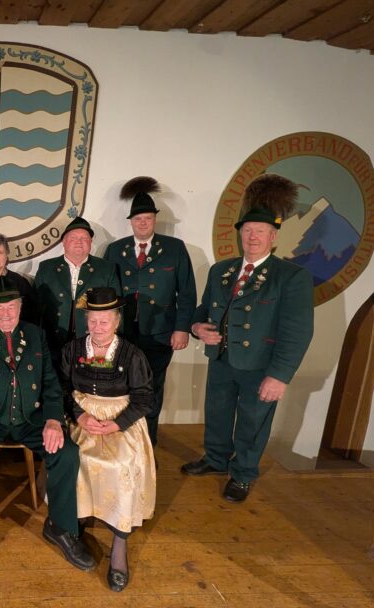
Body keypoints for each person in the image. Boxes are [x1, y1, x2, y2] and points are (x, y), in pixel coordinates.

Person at [0, 275, 93, 589]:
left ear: (20, 306)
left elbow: (51, 382)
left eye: (11, 307)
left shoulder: (35, 333)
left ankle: (61, 527)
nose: (6, 314)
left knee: (67, 453)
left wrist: (53, 420)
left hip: (31, 419)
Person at [182, 174, 314, 503]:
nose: (253, 237)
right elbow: (203, 310)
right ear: (240, 233)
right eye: (248, 230)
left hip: (260, 366)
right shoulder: (221, 270)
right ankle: (215, 459)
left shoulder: (291, 277)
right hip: (221, 359)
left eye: (260, 231)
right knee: (217, 413)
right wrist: (197, 328)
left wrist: (280, 376)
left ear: (273, 236)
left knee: (252, 423)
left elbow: (298, 331)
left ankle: (242, 474)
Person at [60, 287, 156, 592]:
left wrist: (117, 424)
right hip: (82, 416)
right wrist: (79, 415)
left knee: (121, 465)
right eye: (93, 321)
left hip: (120, 419)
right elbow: (61, 389)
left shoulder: (132, 355)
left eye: (104, 321)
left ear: (117, 321)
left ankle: (119, 543)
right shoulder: (72, 350)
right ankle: (76, 518)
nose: (98, 327)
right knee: (74, 458)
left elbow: (145, 398)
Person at [103, 177, 196, 446]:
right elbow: (107, 292)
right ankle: (123, 443)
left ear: (155, 220)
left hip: (159, 333)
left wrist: (181, 328)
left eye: (148, 218)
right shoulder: (116, 250)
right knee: (121, 386)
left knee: (151, 389)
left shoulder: (174, 249)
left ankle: (147, 445)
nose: (143, 223)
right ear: (130, 222)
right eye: (138, 219)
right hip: (123, 333)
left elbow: (187, 292)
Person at [34, 217, 120, 368]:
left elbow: (116, 308)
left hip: (93, 341)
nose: (79, 242)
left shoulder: (106, 269)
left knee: (88, 379)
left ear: (91, 242)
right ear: (63, 242)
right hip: (53, 341)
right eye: (73, 238)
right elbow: (36, 308)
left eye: (84, 238)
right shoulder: (46, 268)